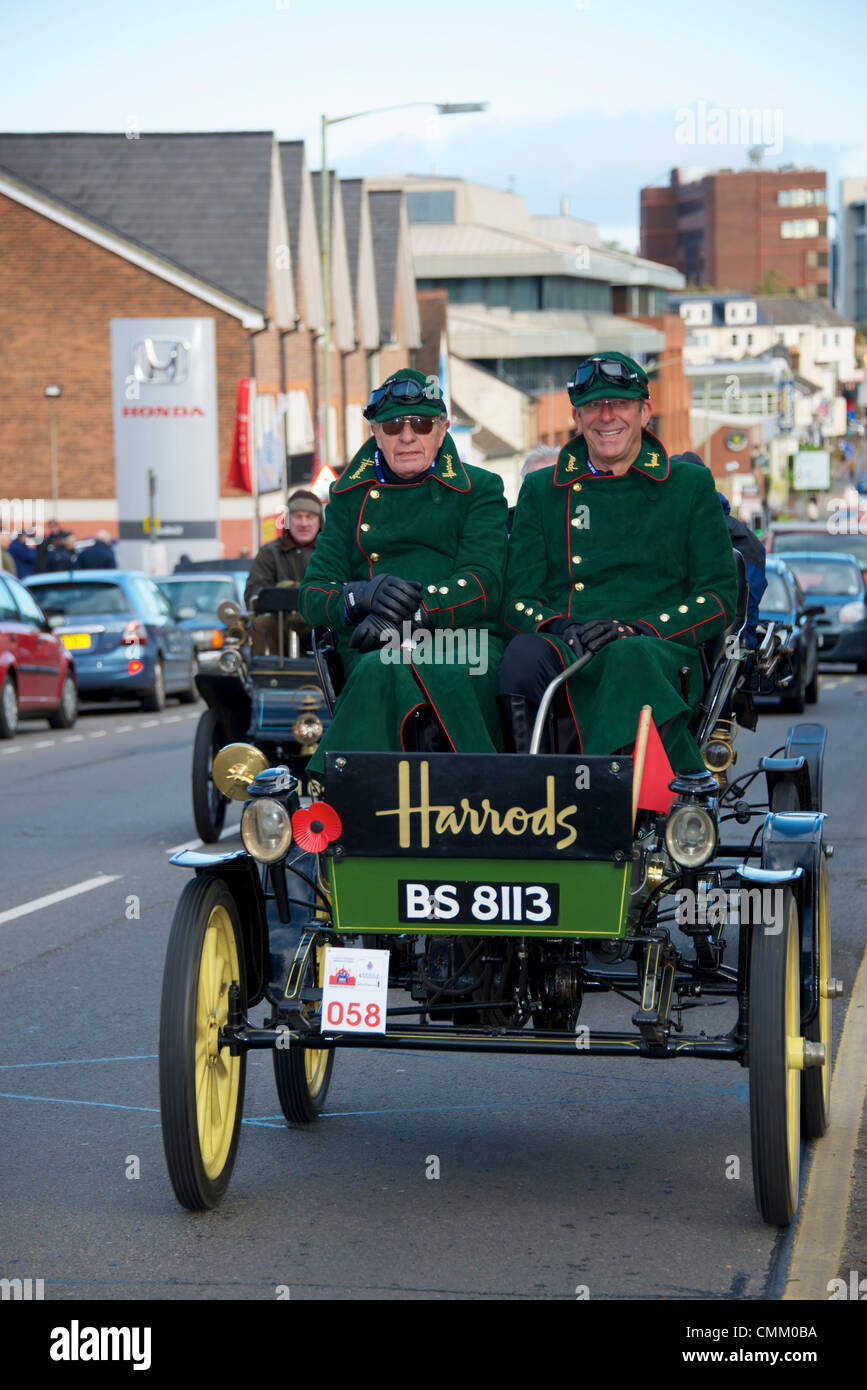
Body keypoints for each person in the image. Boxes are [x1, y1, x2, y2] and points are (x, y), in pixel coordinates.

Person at [498, 353, 738, 769]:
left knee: (628, 657)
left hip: (657, 650)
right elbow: (518, 599)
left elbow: (718, 597)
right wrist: (561, 626)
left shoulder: (689, 485)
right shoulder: (541, 489)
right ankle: (529, 790)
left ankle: (615, 799)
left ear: (645, 411)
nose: (606, 417)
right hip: (570, 644)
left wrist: (639, 628)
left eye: (619, 404)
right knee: (521, 657)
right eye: (594, 406)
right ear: (577, 416)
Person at [299, 367, 508, 779]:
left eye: (421, 423)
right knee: (382, 666)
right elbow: (311, 595)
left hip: (461, 637)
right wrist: (360, 596)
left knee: (402, 665)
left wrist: (410, 615)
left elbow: (485, 583)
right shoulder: (346, 500)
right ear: (375, 433)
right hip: (369, 641)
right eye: (394, 425)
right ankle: (359, 800)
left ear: (443, 428)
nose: (407, 436)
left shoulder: (479, 489)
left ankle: (476, 788)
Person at [244, 490, 323, 607]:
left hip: (325, 623)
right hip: (280, 623)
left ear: (319, 521)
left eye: (310, 517)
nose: (304, 523)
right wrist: (284, 594)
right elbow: (253, 595)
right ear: (287, 520)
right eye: (298, 516)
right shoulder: (270, 553)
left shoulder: (332, 553)